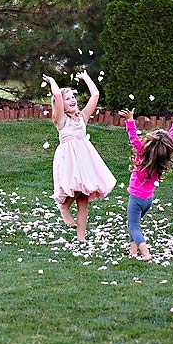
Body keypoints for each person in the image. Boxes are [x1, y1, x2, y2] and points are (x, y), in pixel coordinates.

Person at [42, 71, 116, 242]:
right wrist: (53, 81)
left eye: (73, 97)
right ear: (61, 105)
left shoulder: (82, 117)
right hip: (69, 160)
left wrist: (85, 78)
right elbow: (57, 95)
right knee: (76, 187)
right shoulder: (61, 120)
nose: (72, 100)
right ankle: (64, 206)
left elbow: (95, 94)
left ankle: (81, 237)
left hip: (85, 160)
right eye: (68, 98)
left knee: (84, 200)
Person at [119, 106, 173, 260]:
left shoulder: (142, 152)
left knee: (134, 226)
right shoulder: (162, 156)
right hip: (148, 199)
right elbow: (172, 136)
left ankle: (145, 253)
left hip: (136, 199)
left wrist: (130, 121)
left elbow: (133, 138)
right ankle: (133, 251)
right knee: (134, 225)